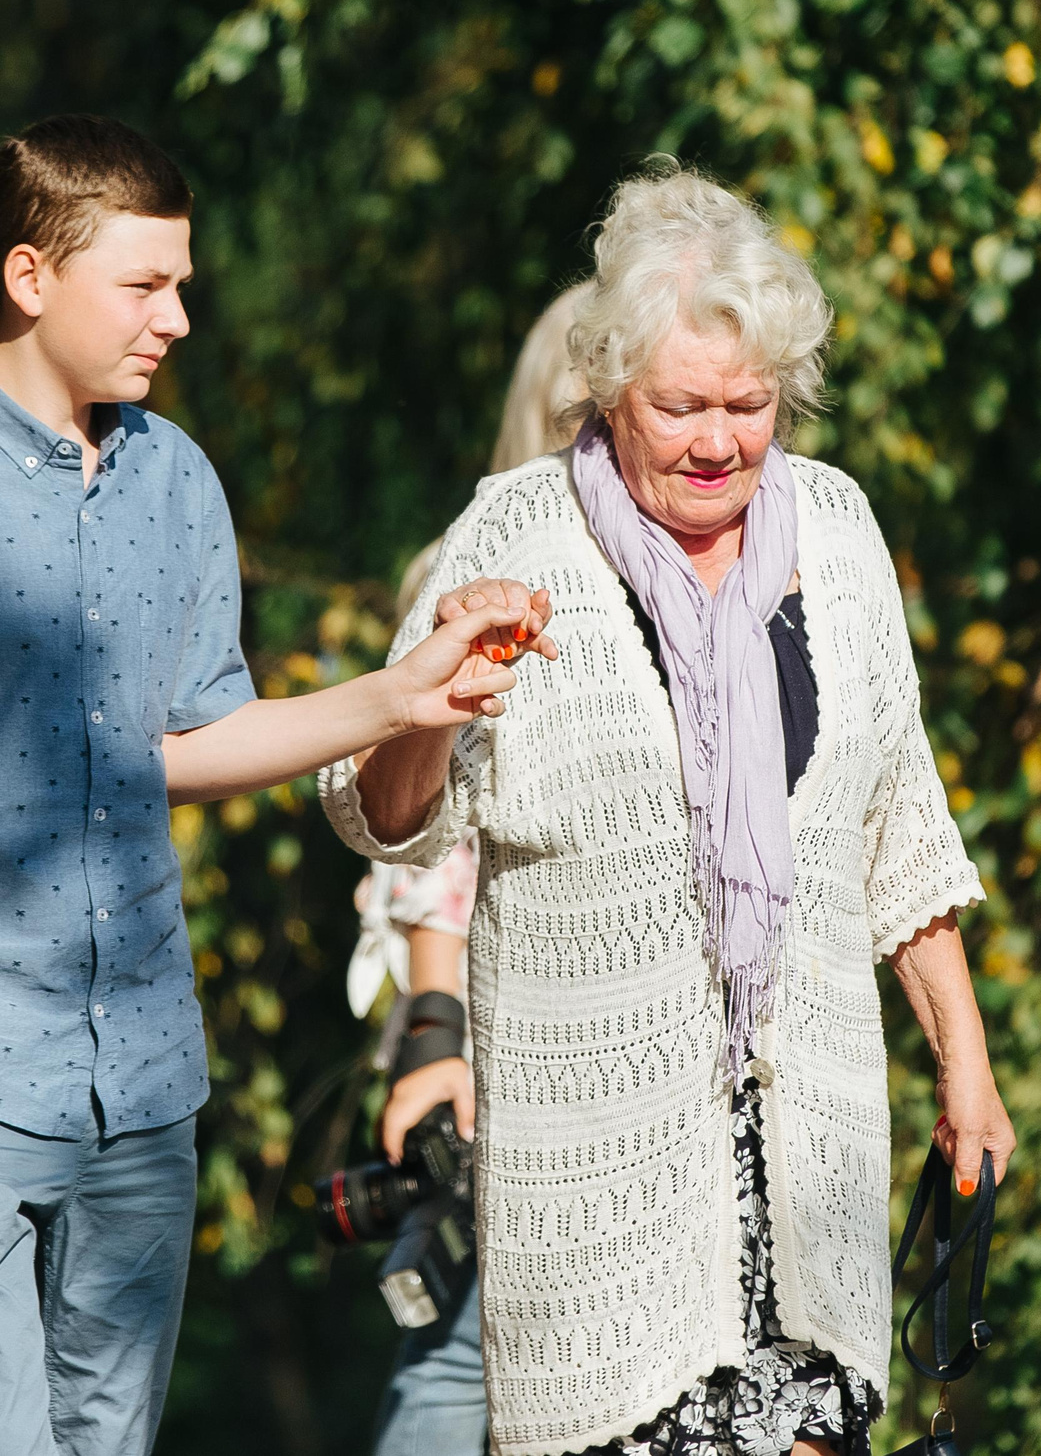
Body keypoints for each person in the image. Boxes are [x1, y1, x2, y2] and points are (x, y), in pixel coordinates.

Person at [0, 114, 556, 1456]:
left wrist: (404, 695)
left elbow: (182, 744)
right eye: (144, 284)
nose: (175, 317)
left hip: (143, 1084)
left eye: (181, 284)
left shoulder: (175, 481)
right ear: (29, 276)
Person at [322, 167, 1017, 1456]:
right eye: (681, 406)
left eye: (749, 406)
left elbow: (900, 831)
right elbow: (386, 823)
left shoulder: (839, 534)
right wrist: (432, 708)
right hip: (599, 1210)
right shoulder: (516, 535)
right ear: (606, 391)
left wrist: (963, 1068)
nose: (718, 442)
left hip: (809, 1178)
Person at [349, 281, 593, 1456]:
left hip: (628, 1041)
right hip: (504, 1036)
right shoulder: (472, 573)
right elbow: (432, 845)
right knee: (465, 1356)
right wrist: (439, 1032)